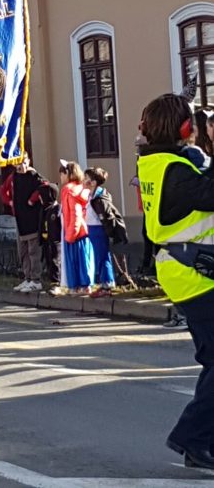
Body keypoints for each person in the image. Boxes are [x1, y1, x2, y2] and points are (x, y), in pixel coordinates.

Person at [137, 92, 214, 470]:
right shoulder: (176, 171)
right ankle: (190, 436)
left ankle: (199, 444)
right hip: (196, 276)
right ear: (186, 129)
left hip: (189, 272)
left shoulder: (161, 164)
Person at [0, 153, 46, 293]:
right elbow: (3, 190)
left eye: (24, 162)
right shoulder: (13, 177)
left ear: (28, 161)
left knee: (33, 250)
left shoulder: (34, 175)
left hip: (31, 218)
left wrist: (32, 200)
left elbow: (44, 187)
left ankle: (36, 279)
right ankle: (27, 278)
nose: (22, 166)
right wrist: (10, 202)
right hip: (19, 219)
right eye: (19, 163)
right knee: (23, 250)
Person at [59, 159, 94, 294]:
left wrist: (70, 233)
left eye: (62, 173)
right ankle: (84, 285)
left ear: (68, 174)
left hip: (73, 233)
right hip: (81, 232)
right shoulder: (80, 189)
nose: (61, 176)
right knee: (83, 261)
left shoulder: (69, 191)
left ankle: (77, 287)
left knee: (74, 262)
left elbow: (75, 214)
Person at [83, 167, 116, 296]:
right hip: (92, 227)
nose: (84, 181)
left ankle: (107, 284)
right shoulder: (92, 194)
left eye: (86, 179)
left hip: (98, 229)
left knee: (102, 256)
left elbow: (103, 213)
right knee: (99, 257)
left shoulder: (99, 196)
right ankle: (104, 282)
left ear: (93, 182)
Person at [32, 182, 62, 294]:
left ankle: (57, 284)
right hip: (46, 241)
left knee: (55, 262)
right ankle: (51, 283)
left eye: (41, 195)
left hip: (55, 241)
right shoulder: (44, 209)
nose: (39, 197)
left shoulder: (56, 209)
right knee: (49, 262)